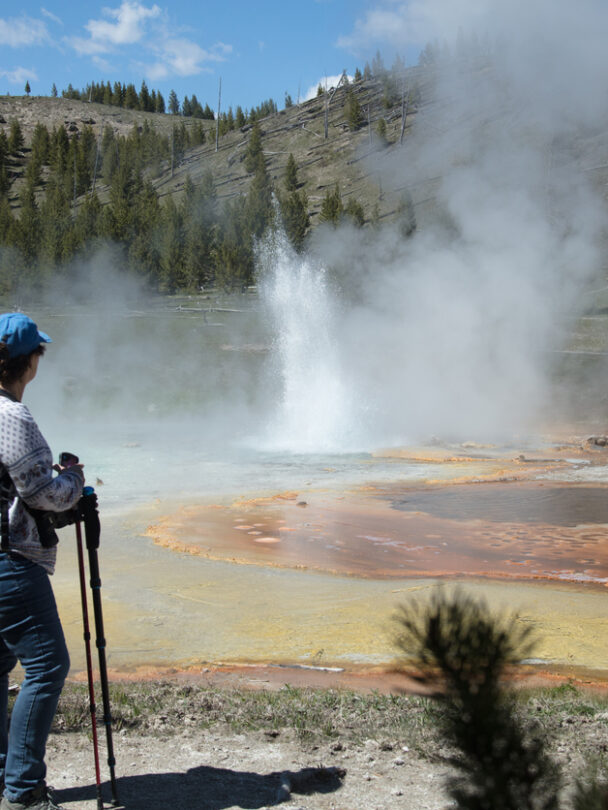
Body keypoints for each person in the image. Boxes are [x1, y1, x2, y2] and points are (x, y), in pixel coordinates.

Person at [0, 314, 84, 810]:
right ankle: (24, 789)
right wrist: (74, 479)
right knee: (49, 665)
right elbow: (44, 493)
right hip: (9, 561)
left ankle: (5, 771)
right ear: (30, 362)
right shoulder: (11, 417)